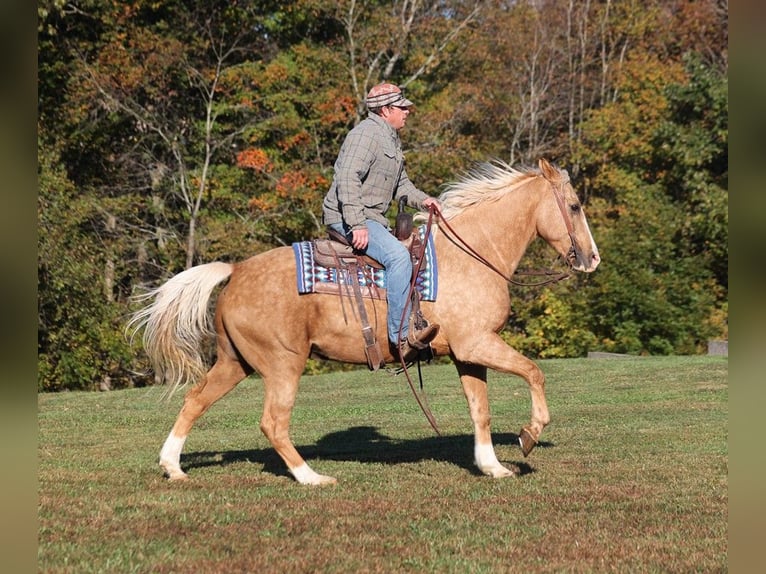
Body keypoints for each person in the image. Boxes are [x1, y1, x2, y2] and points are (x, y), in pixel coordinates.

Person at [322, 83, 440, 362]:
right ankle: (401, 339)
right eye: (402, 107)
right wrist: (356, 224)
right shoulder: (365, 135)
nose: (407, 112)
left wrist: (424, 200)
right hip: (350, 217)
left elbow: (402, 184)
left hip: (370, 218)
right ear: (386, 110)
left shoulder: (389, 138)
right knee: (399, 257)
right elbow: (346, 177)